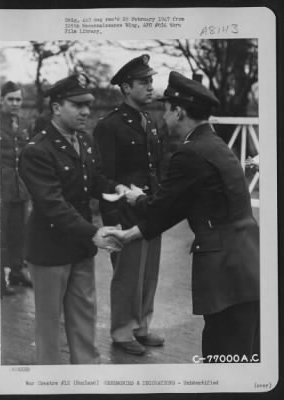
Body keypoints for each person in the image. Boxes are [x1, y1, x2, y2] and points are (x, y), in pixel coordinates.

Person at [107, 71, 260, 362]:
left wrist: (134, 196)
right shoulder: (215, 144)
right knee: (246, 358)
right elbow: (175, 210)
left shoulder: (189, 153)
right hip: (249, 269)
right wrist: (128, 235)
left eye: (166, 111)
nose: (163, 118)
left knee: (222, 361)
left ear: (179, 112)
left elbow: (159, 208)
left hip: (226, 277)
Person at [19, 73, 126, 365]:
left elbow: (92, 181)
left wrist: (116, 188)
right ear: (56, 107)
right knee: (50, 326)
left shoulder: (85, 141)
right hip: (51, 249)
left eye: (87, 105)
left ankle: (86, 376)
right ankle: (50, 382)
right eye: (77, 105)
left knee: (84, 316)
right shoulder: (37, 151)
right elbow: (52, 203)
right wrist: (93, 232)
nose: (86, 112)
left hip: (80, 246)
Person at [93, 54, 164, 355]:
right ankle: (122, 332)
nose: (150, 87)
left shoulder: (150, 120)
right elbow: (102, 175)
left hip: (150, 208)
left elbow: (158, 167)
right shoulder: (110, 126)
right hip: (125, 212)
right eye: (143, 82)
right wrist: (112, 221)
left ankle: (141, 326)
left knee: (148, 272)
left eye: (151, 81)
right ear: (126, 87)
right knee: (127, 276)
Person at [0, 81, 33, 296]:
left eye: (18, 99)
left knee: (20, 232)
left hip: (21, 187)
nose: (15, 103)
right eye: (10, 99)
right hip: (0, 188)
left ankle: (17, 271)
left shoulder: (24, 124)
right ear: (1, 100)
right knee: (1, 233)